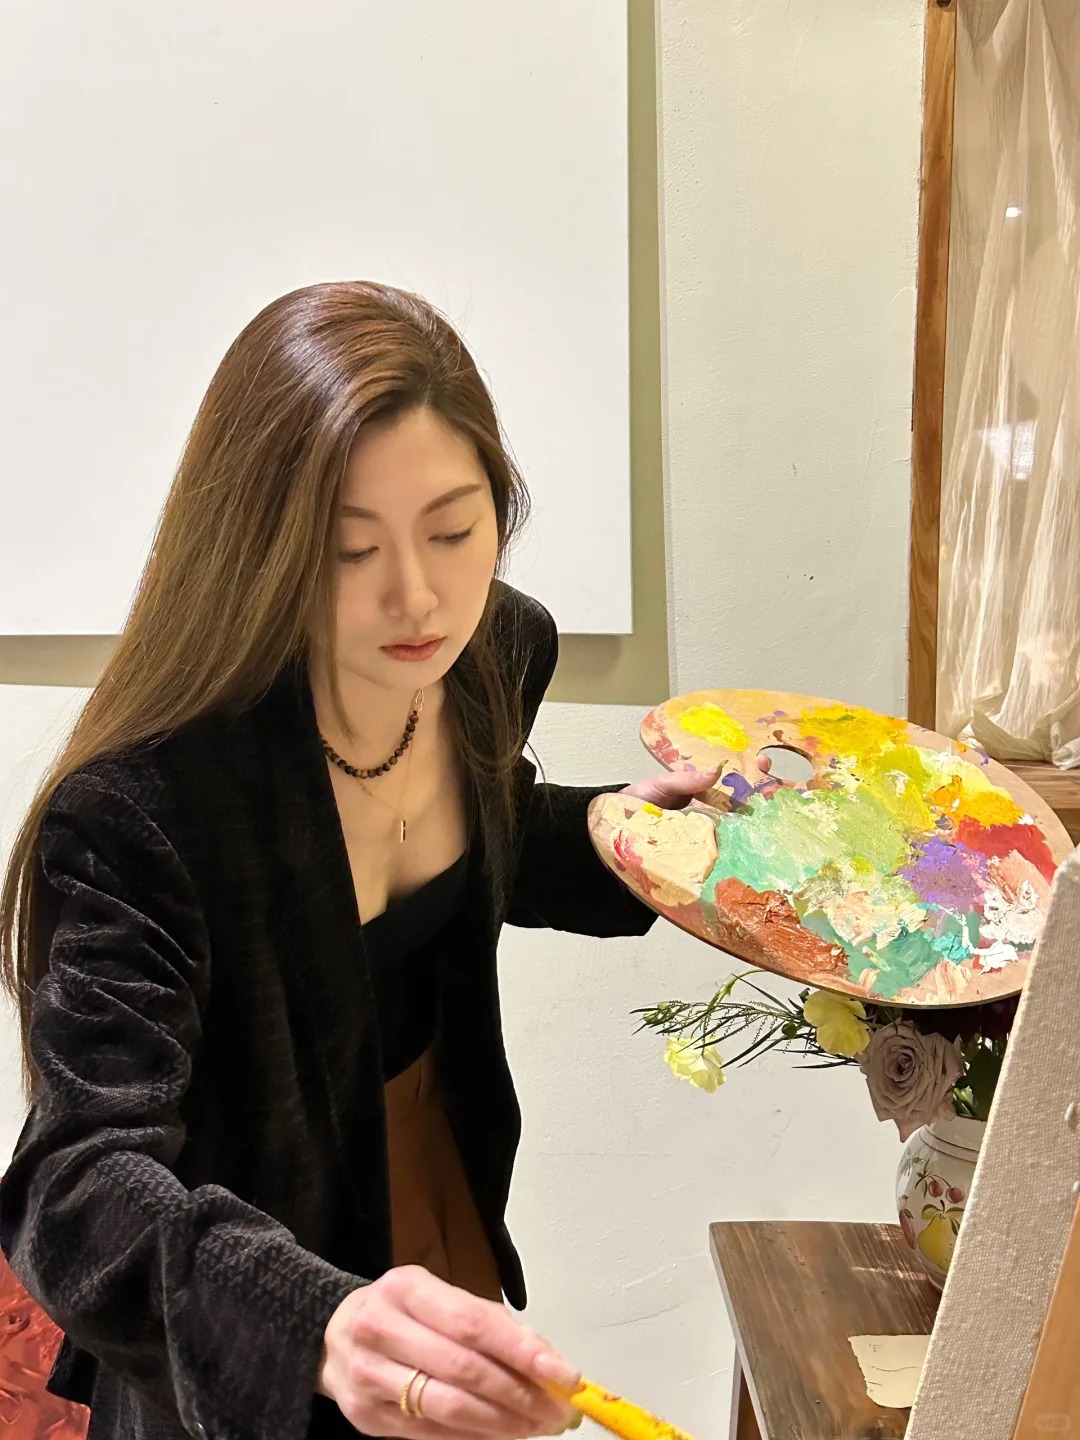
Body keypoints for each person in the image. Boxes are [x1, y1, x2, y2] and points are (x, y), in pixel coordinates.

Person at [0, 282, 717, 1440]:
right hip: (242, 1292)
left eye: (453, 527)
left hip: (432, 1173)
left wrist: (611, 832)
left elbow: (484, 828)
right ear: (262, 549)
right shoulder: (142, 810)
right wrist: (312, 1322)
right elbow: (77, 1184)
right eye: (349, 550)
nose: (419, 597)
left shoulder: (492, 653)